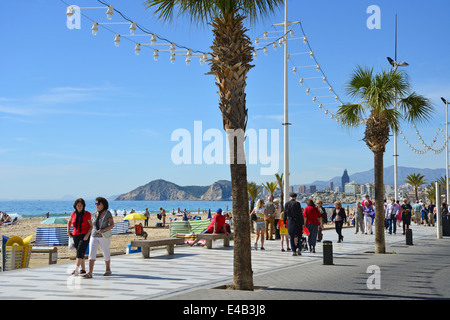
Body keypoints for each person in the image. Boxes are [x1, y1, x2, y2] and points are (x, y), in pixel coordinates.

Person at [82, 197, 115, 278]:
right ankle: (90, 272)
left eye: (98, 203)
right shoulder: (93, 214)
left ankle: (108, 269)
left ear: (103, 204)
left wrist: (103, 230)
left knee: (105, 252)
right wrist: (87, 234)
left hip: (103, 236)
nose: (96, 205)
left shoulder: (107, 214)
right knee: (91, 253)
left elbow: (112, 225)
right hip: (94, 235)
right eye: (96, 203)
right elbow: (91, 225)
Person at [67, 198, 93, 275]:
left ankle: (76, 269)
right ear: (75, 206)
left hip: (85, 235)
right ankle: (83, 269)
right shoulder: (73, 213)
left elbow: (91, 226)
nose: (79, 206)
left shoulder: (87, 214)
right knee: (80, 252)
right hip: (75, 235)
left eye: (81, 205)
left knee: (79, 251)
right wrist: (68, 230)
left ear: (83, 206)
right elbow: (69, 221)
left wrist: (87, 235)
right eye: (78, 205)